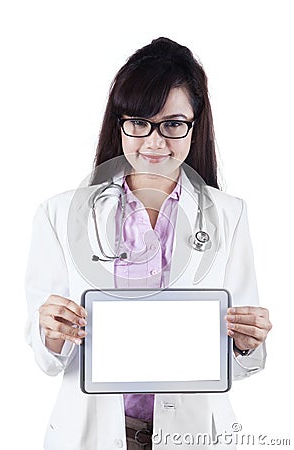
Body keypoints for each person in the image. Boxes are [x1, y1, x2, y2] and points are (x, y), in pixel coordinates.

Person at [25, 37, 272, 450]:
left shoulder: (229, 215)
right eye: (139, 122)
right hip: (90, 433)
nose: (155, 142)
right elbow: (48, 360)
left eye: (173, 124)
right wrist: (50, 332)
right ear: (119, 123)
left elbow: (241, 362)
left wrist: (248, 345)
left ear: (196, 125)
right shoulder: (58, 214)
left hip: (191, 433)